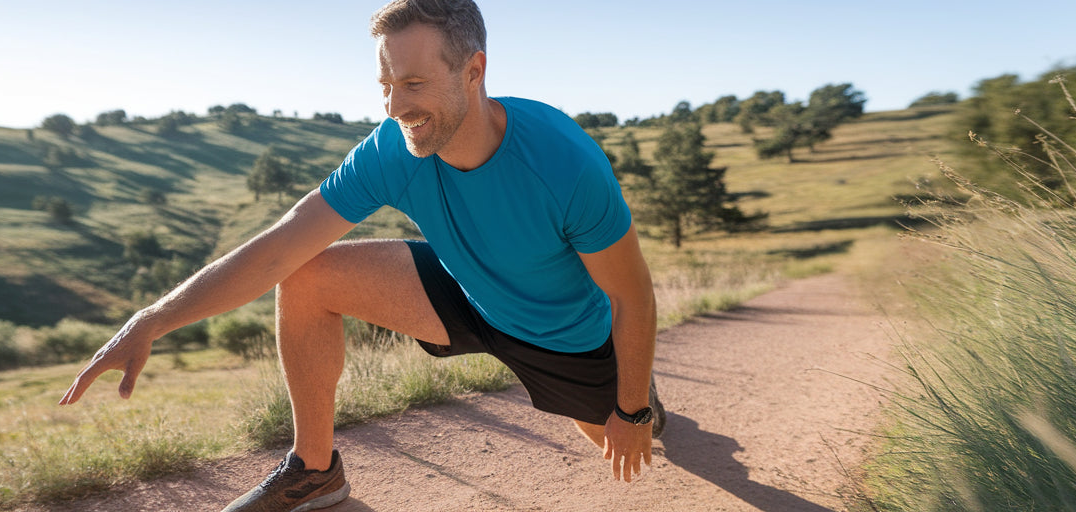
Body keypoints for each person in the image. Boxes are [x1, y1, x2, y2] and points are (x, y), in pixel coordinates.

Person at [58, 0, 663, 510]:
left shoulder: (564, 163)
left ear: (474, 70)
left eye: (415, 84)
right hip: (466, 287)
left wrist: (631, 410)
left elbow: (631, 295)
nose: (395, 107)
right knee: (308, 273)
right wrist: (151, 321)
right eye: (387, 85)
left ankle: (647, 399)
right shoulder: (392, 149)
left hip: (564, 335)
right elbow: (276, 249)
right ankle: (315, 471)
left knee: (625, 432)